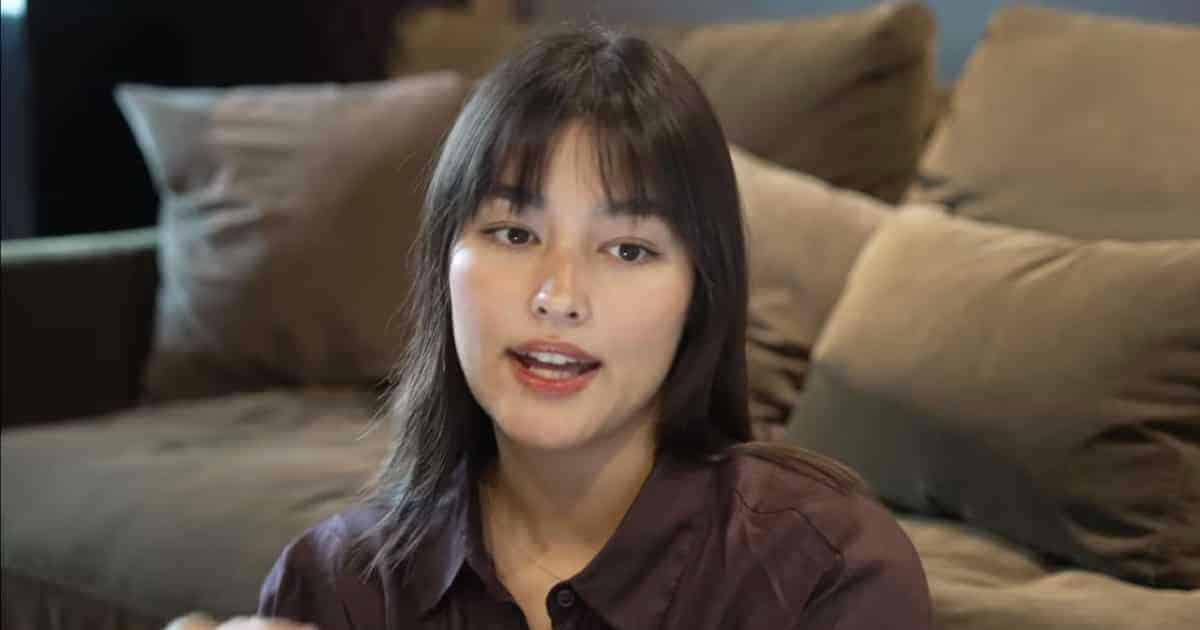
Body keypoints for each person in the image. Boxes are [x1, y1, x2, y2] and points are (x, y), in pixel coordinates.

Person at [253, 25, 933, 630]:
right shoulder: (333, 586)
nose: (559, 297)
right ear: (443, 268)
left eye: (628, 250)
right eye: (514, 233)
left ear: (701, 295)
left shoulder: (827, 572)